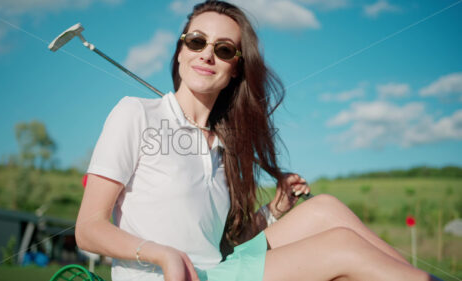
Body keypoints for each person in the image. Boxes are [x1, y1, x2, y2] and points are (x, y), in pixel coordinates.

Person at [75, 1, 435, 280]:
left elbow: (221, 245)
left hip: (217, 270)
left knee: (325, 209)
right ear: (181, 51)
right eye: (197, 41)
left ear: (235, 70)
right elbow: (88, 229)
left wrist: (273, 212)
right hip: (170, 276)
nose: (207, 54)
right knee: (341, 248)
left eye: (224, 49)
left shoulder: (225, 147)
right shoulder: (135, 113)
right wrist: (161, 253)